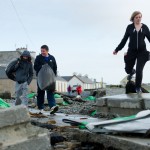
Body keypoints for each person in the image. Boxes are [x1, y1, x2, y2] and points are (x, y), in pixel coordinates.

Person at [113, 11, 150, 93]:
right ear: (133, 18)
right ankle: (131, 71)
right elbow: (124, 40)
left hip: (142, 52)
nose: (138, 19)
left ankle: (138, 88)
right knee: (128, 70)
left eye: (140, 17)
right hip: (131, 52)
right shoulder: (129, 27)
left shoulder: (145, 27)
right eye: (136, 17)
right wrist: (117, 49)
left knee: (139, 69)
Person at [34, 45, 58, 114]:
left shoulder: (52, 58)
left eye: (43, 51)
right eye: (41, 51)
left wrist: (54, 76)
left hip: (50, 78)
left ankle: (52, 106)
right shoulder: (38, 58)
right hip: (41, 78)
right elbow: (35, 67)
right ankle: (40, 107)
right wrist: (41, 66)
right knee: (41, 92)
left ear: (47, 51)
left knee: (50, 92)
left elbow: (55, 68)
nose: (42, 52)